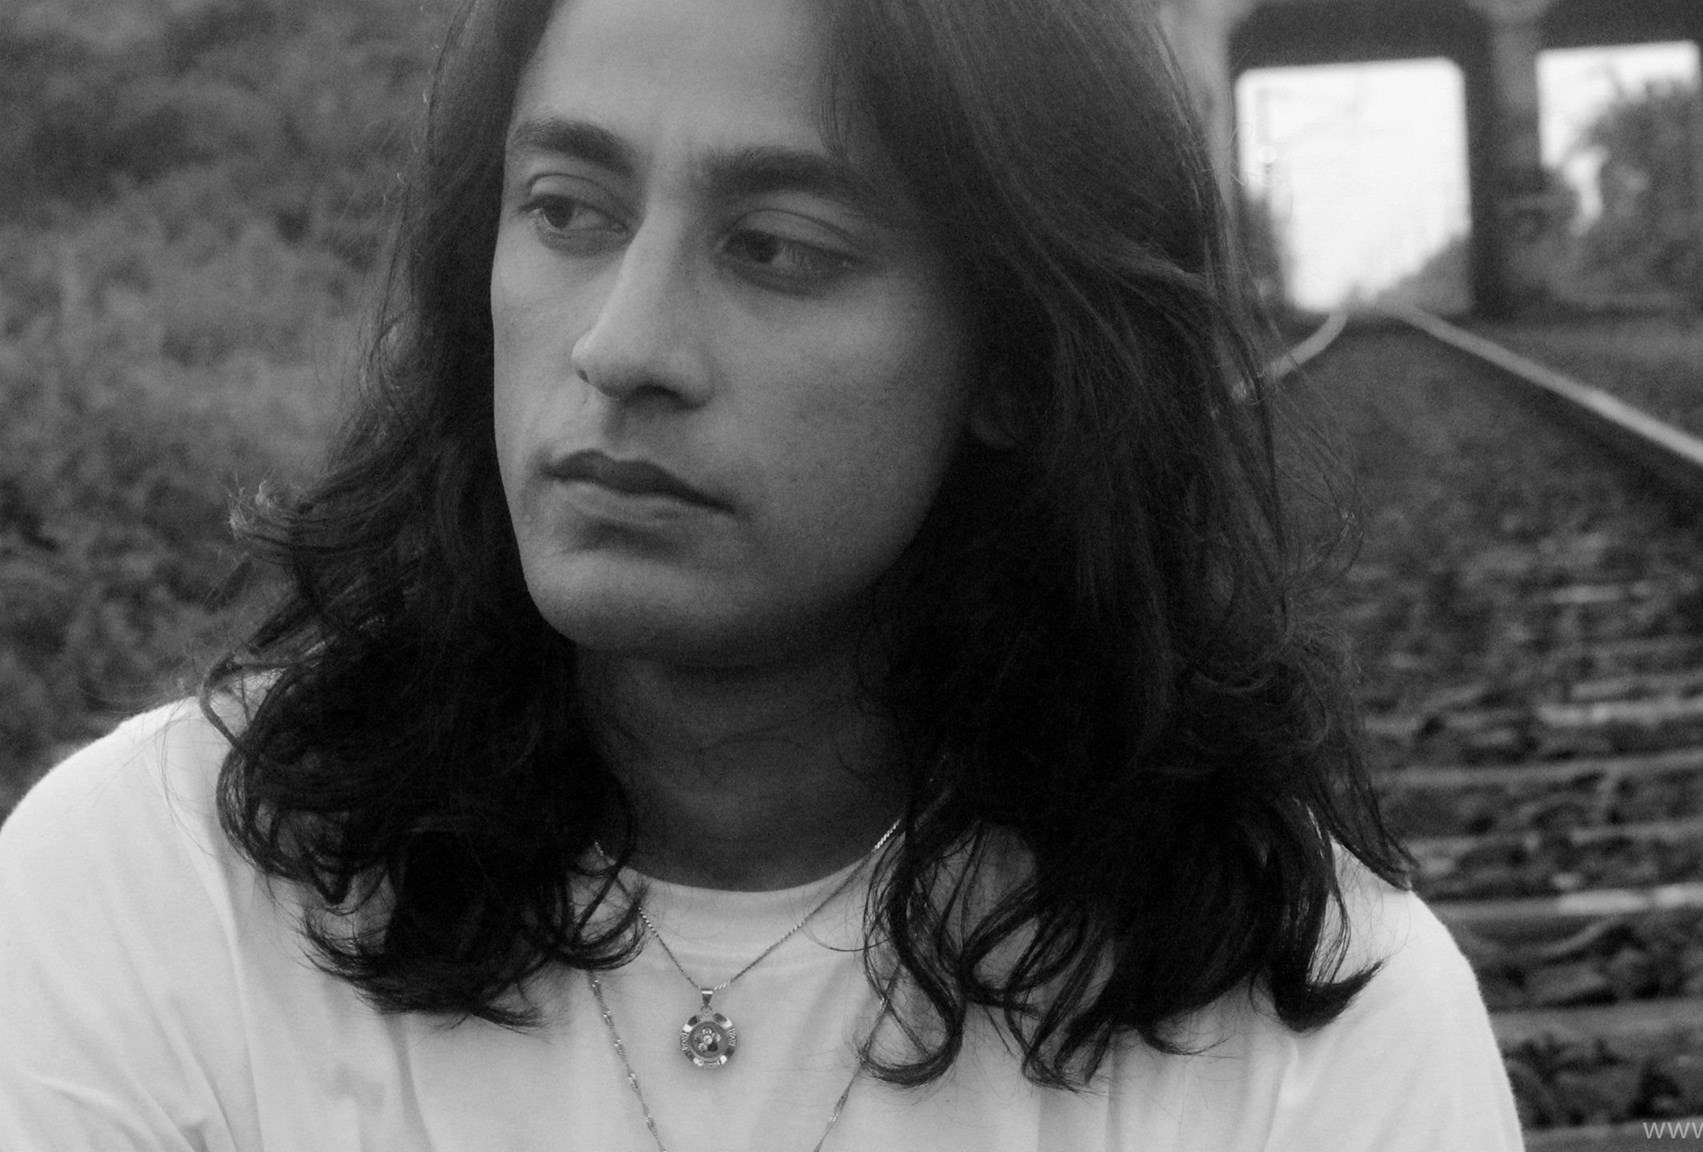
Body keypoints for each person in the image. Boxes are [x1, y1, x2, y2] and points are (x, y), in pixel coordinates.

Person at [0, 0, 1526, 1146]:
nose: (621, 346)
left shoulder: (1307, 1033)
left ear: (1017, 355)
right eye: (568, 212)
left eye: (779, 247)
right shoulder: (164, 896)